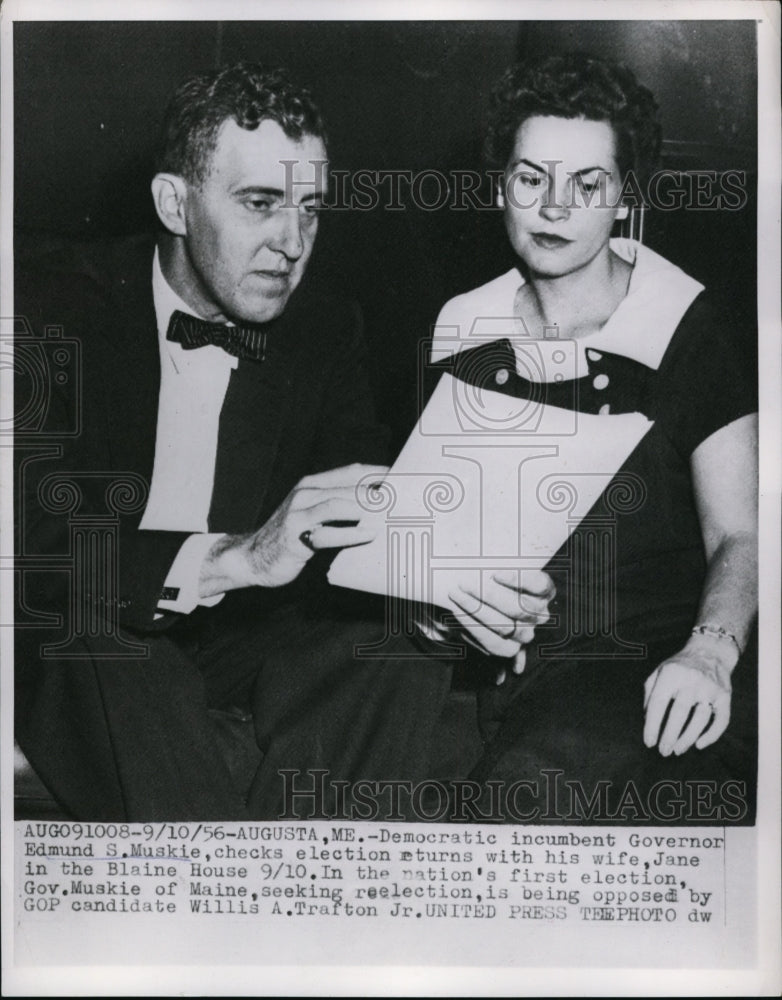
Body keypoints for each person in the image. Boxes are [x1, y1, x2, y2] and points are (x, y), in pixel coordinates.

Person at [14, 62, 468, 821]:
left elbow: (353, 516)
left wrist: (438, 589)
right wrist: (232, 557)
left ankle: (313, 904)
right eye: (260, 204)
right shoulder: (47, 306)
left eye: (311, 209)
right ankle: (217, 913)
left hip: (244, 642)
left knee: (399, 653)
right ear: (174, 202)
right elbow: (30, 534)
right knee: (108, 652)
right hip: (100, 629)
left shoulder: (326, 328)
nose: (292, 243)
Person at [428, 52, 758, 822]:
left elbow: (742, 534)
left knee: (520, 812)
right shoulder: (460, 325)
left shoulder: (689, 326)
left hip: (641, 664)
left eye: (588, 184)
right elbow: (442, 534)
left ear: (623, 198)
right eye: (530, 177)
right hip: (491, 667)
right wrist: (439, 607)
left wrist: (711, 649)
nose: (553, 207)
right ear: (498, 183)